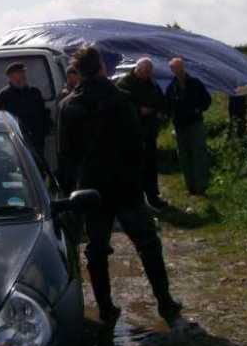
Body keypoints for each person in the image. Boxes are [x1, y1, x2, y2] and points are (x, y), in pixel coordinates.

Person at [59, 46, 182, 326]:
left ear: (78, 71)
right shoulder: (122, 99)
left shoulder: (68, 106)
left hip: (90, 189)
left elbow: (67, 156)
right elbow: (136, 145)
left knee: (97, 250)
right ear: (101, 67)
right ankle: (165, 301)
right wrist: (135, 177)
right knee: (148, 244)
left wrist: (70, 194)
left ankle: (106, 309)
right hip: (125, 185)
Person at [116, 57, 169, 210]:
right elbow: (122, 106)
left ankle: (153, 198)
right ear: (137, 69)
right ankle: (136, 202)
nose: (148, 75)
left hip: (149, 132)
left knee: (151, 166)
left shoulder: (151, 83)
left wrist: (161, 111)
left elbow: (160, 99)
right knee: (135, 168)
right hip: (133, 134)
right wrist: (139, 110)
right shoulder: (124, 83)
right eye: (145, 72)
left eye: (150, 72)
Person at [165, 57, 212, 195]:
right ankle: (190, 187)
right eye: (175, 69)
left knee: (198, 154)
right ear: (172, 70)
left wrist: (198, 108)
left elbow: (207, 100)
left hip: (195, 123)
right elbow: (167, 106)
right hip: (179, 126)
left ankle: (201, 187)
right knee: (184, 157)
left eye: (179, 68)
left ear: (183, 68)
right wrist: (170, 117)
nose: (178, 71)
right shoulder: (171, 88)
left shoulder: (195, 83)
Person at [0, 62, 51, 160]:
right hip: (17, 138)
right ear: (11, 77)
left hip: (36, 137)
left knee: (39, 163)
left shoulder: (34, 92)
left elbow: (43, 112)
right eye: (19, 73)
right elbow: (1, 117)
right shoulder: (4, 95)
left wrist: (44, 130)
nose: (23, 76)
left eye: (23, 73)